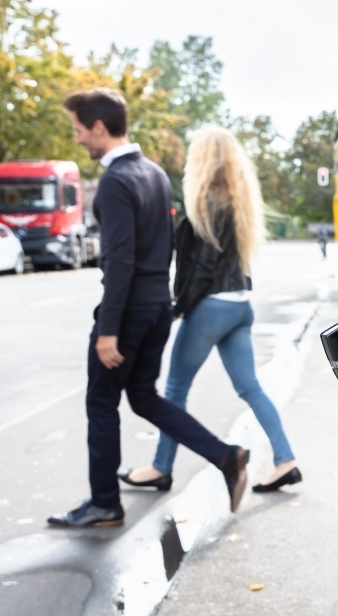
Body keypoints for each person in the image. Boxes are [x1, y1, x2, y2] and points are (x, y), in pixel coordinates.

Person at [48, 90, 250, 528]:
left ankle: (104, 503)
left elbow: (119, 259)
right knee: (141, 396)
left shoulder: (116, 182)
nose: (79, 138)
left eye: (79, 129)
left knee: (102, 402)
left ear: (99, 127)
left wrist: (108, 328)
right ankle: (225, 455)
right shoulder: (155, 174)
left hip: (128, 313)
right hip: (157, 308)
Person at [117, 125, 301, 494]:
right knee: (250, 388)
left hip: (211, 307)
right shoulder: (238, 198)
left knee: (173, 389)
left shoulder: (206, 200)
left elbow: (201, 268)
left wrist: (177, 306)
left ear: (203, 158)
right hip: (239, 305)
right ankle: (286, 460)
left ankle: (160, 467)